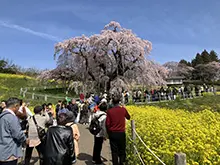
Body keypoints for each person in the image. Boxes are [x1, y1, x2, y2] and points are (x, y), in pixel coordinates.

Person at [0, 97, 27, 165]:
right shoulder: (11, 117)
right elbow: (18, 134)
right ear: (16, 106)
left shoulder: (2, 116)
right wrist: (25, 140)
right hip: (9, 151)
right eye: (18, 107)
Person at [106, 95, 130, 165]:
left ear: (112, 102)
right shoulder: (123, 109)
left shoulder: (109, 111)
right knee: (122, 150)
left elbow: (107, 124)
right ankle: (121, 163)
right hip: (121, 133)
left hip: (113, 133)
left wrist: (108, 133)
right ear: (119, 102)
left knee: (114, 151)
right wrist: (124, 108)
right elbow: (128, 117)